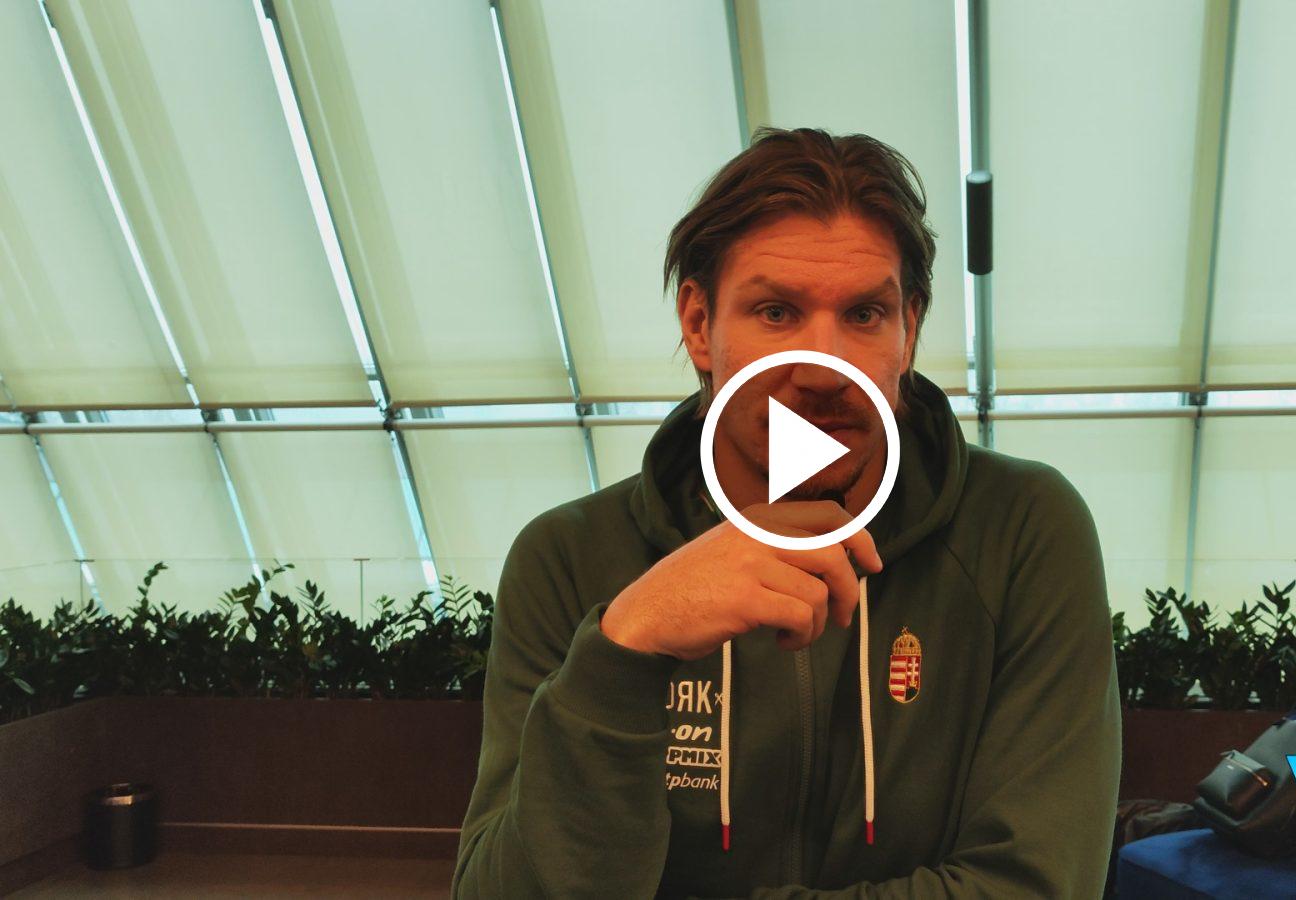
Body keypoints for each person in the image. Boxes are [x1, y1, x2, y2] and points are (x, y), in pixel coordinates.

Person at [453, 127, 1120, 898]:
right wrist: (622, 651)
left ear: (909, 332)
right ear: (699, 324)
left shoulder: (1022, 530)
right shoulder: (568, 560)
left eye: (864, 315)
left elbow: (1035, 886)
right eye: (776, 312)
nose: (823, 370)